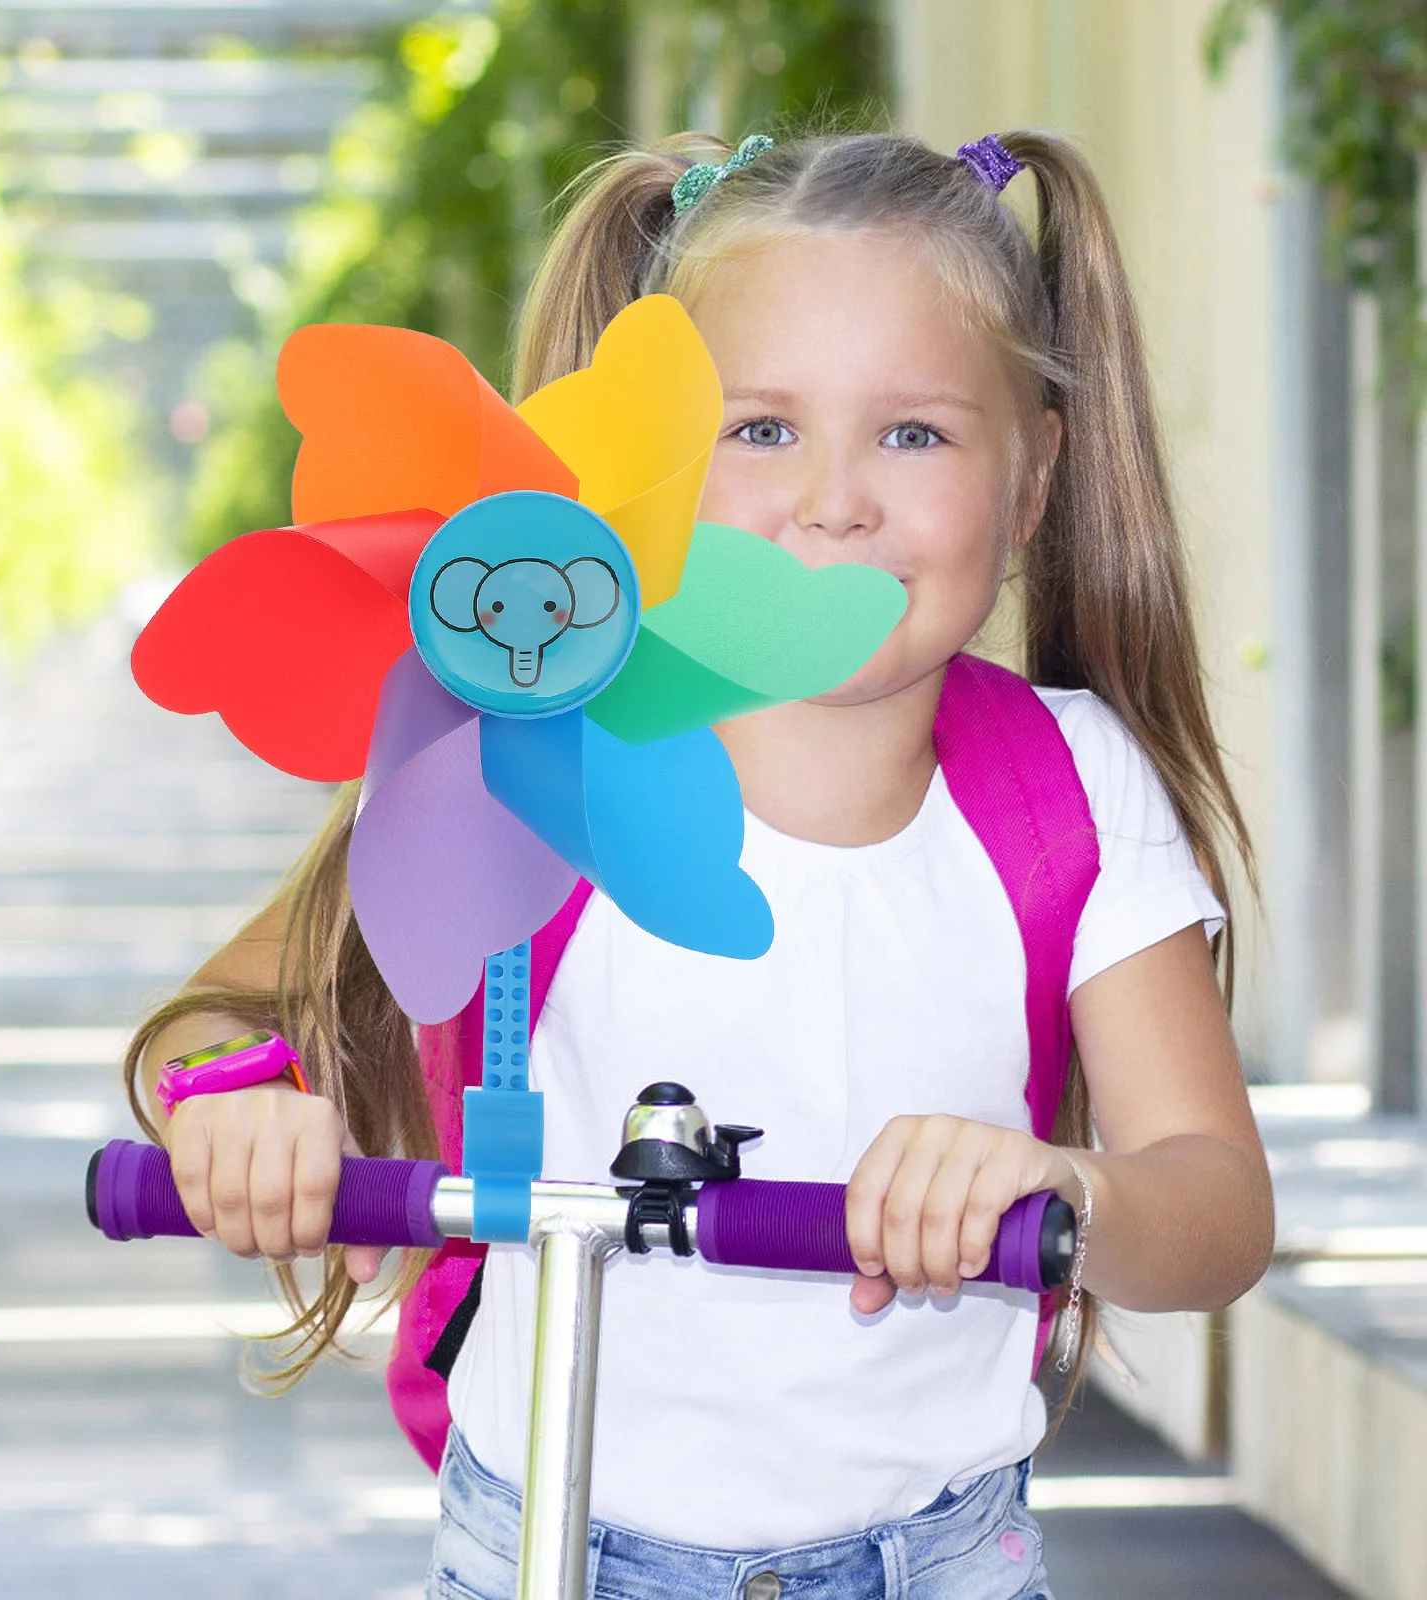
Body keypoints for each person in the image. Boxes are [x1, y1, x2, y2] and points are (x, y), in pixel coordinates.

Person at [124, 128, 1275, 1599]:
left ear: (1034, 477)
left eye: (913, 434)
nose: (835, 501)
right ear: (644, 473)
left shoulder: (1076, 787)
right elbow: (212, 1026)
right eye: (761, 430)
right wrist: (239, 1109)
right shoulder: (530, 751)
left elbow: (1217, 1208)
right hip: (539, 1553)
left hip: (940, 1564)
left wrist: (1063, 1188)